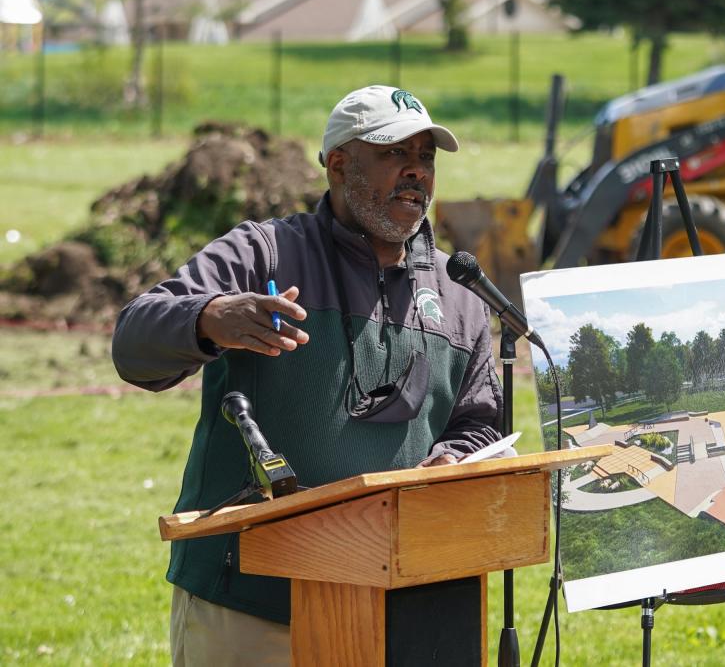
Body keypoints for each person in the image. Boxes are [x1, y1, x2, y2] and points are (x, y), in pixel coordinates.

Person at [112, 85, 505, 665]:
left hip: (400, 602)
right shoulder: (262, 254)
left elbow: (479, 422)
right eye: (396, 154)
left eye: (426, 158)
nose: (416, 174)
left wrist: (453, 456)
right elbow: (133, 339)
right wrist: (209, 317)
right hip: (249, 602)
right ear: (339, 165)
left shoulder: (461, 294)